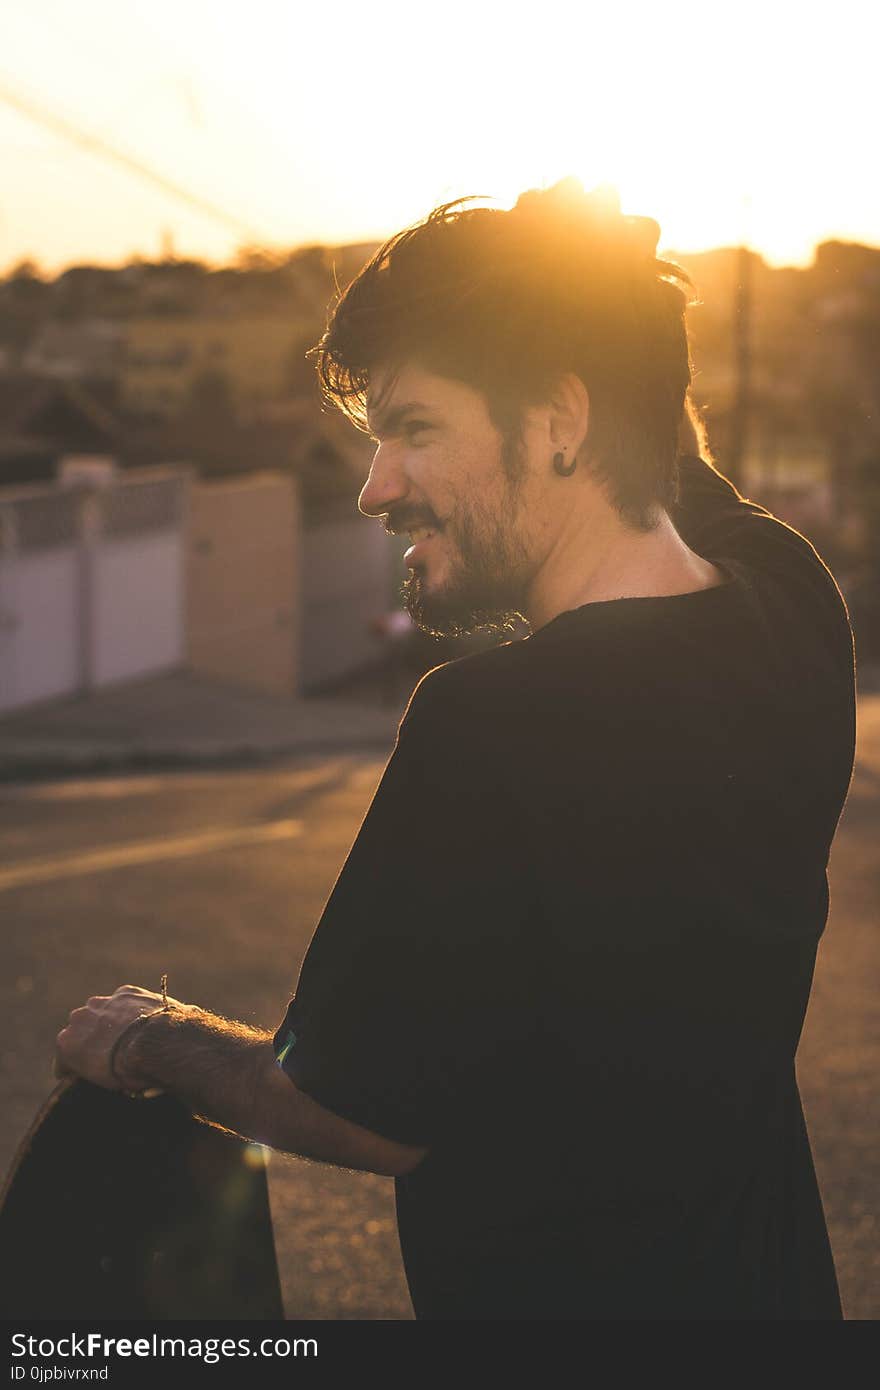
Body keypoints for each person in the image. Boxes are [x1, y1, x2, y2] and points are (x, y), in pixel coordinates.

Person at [57, 179, 856, 1320]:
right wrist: (615, 299)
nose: (376, 487)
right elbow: (664, 454)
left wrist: (155, 1040)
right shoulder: (792, 606)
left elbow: (356, 1105)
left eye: (412, 429)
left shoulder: (492, 722)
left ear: (558, 420)